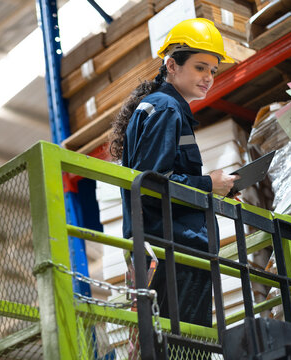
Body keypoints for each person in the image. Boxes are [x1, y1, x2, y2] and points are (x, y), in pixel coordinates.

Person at [109, 18, 239, 331]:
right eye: (200, 67)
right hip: (176, 250)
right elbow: (153, 185)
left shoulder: (160, 107)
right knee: (187, 344)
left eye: (213, 71)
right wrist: (209, 185)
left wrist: (219, 189)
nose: (209, 77)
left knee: (173, 342)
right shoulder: (167, 108)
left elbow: (156, 177)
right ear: (172, 65)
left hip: (167, 249)